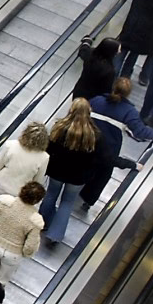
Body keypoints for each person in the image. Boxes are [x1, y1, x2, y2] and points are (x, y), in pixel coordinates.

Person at [83, 78, 153, 209]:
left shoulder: (97, 100)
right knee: (102, 175)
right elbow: (139, 132)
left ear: (113, 87)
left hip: (86, 141)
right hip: (109, 149)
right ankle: (88, 201)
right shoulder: (129, 112)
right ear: (128, 93)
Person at [40, 99, 102, 248]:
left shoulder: (59, 127)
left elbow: (49, 149)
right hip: (78, 176)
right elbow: (97, 158)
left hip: (57, 171)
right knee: (67, 203)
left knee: (51, 194)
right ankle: (55, 235)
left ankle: (42, 222)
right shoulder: (94, 134)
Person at [0, 122, 50, 198]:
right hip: (20, 192)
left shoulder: (10, 145)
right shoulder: (44, 157)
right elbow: (38, 181)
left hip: (1, 184)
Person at [72, 36, 119, 101]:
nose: (119, 52)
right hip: (93, 98)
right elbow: (106, 90)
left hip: (79, 90)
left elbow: (83, 50)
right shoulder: (109, 71)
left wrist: (87, 41)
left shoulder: (90, 54)